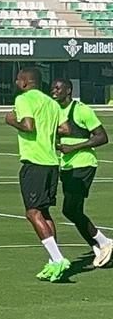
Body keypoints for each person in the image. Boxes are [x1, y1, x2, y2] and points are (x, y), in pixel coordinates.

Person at [5, 67, 68, 282]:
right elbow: (65, 129)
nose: (16, 83)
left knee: (32, 213)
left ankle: (58, 258)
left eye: (17, 79)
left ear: (24, 82)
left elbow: (28, 126)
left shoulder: (24, 99)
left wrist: (11, 120)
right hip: (52, 163)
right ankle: (53, 262)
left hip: (35, 162)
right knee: (44, 212)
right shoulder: (51, 103)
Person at [50, 78, 113, 268]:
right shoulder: (53, 110)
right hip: (66, 166)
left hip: (84, 164)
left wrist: (75, 147)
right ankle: (99, 246)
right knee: (72, 210)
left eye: (58, 87)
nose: (54, 90)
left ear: (68, 90)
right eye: (52, 87)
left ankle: (103, 242)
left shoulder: (82, 110)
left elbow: (102, 137)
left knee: (70, 209)